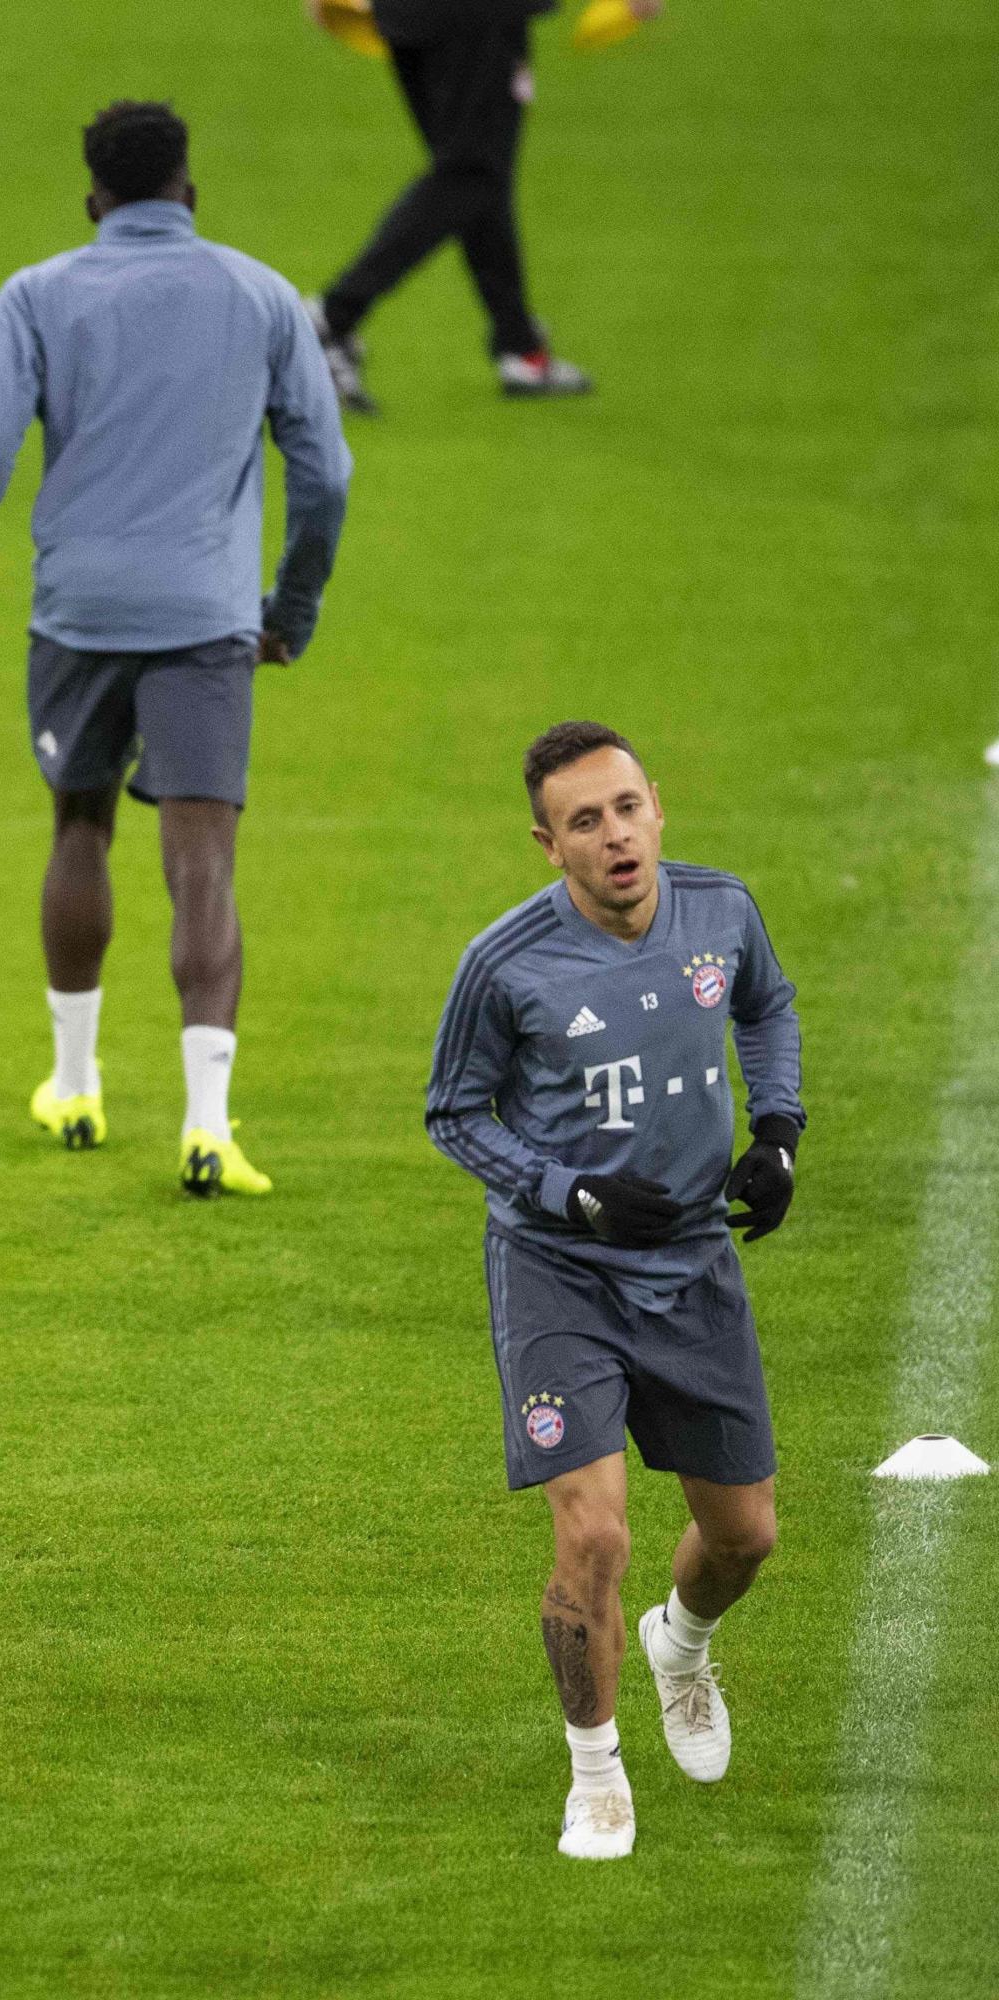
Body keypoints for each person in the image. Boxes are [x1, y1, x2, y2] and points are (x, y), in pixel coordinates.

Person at [0, 100, 351, 1197]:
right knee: (202, 860)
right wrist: (289, 606)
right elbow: (326, 470)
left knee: (79, 823)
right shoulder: (259, 294)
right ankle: (206, 1125)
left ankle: (75, 1083)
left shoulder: (37, 293)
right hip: (209, 616)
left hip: (79, 612)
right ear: (191, 195)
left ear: (92, 201)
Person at [425, 721, 803, 1860]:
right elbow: (454, 1112)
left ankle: (680, 1644)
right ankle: (596, 1772)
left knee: (743, 1538)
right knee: (592, 1535)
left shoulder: (721, 910)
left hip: (692, 1261)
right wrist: (566, 1193)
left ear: (657, 808)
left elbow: (767, 1006)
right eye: (584, 821)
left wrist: (778, 1127)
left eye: (627, 807)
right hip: (560, 1272)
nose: (615, 835)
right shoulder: (504, 964)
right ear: (549, 844)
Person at [303, 0, 658, 411]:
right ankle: (331, 317)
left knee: (474, 173)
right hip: (477, 14)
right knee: (472, 173)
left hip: (407, 13)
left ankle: (520, 347)